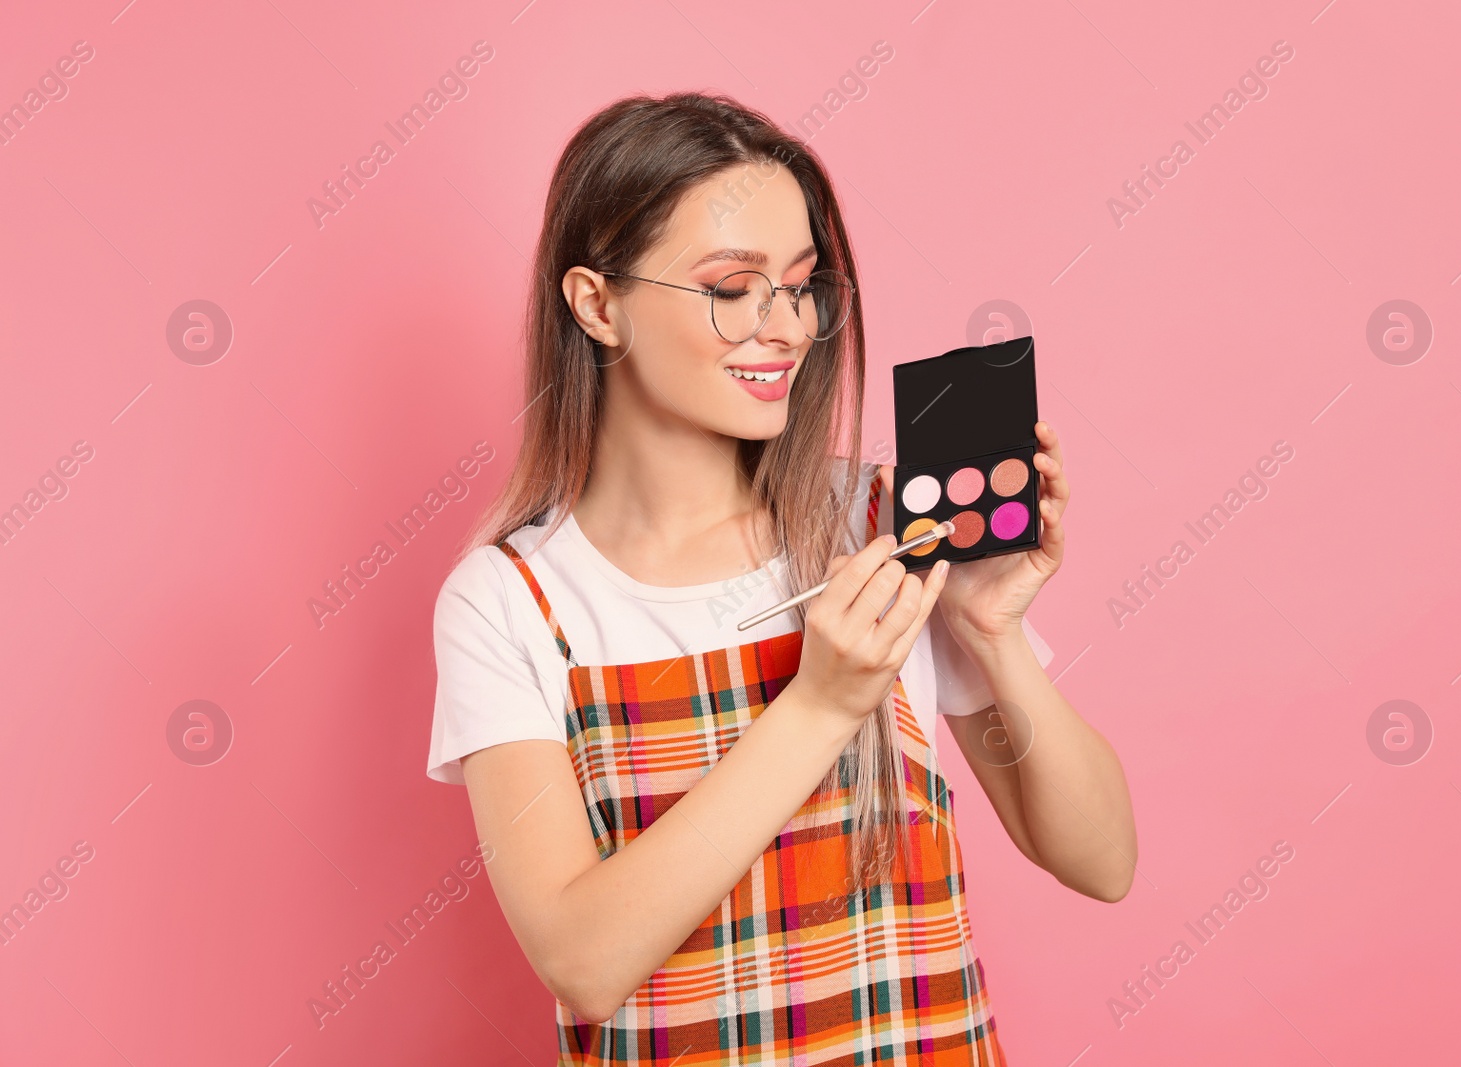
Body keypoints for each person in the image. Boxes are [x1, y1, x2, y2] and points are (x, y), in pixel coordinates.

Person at [427, 90, 1137, 1064]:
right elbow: (583, 958)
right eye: (732, 287)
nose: (787, 326)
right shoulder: (511, 600)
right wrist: (822, 702)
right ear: (597, 303)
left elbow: (1103, 860)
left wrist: (991, 633)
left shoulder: (880, 526)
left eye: (801, 285)